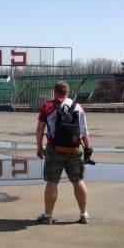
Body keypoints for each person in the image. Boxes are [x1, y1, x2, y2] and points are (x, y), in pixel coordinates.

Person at [36, 81, 93, 225]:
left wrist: (39, 147)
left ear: (55, 92)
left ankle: (48, 216)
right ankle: (84, 215)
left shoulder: (48, 106)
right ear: (68, 92)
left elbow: (40, 129)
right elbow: (84, 132)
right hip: (74, 149)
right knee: (78, 181)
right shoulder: (78, 107)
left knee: (52, 181)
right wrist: (87, 149)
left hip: (54, 149)